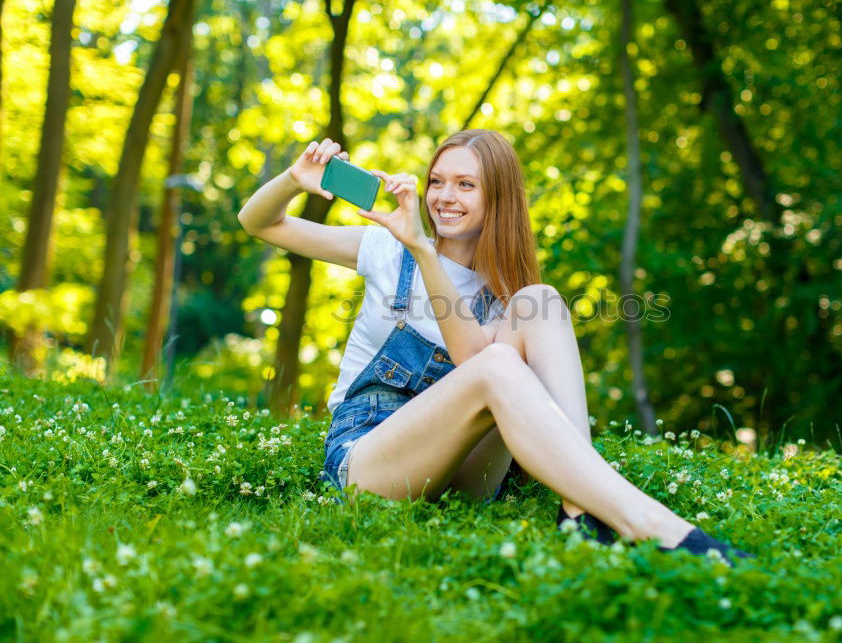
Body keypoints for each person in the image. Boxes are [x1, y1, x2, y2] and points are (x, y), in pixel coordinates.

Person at [238, 129, 752, 563]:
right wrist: (295, 179)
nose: (444, 197)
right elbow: (257, 222)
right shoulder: (386, 247)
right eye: (437, 182)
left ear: (496, 198)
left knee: (542, 300)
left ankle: (577, 509)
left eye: (466, 185)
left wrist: (428, 255)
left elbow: (472, 361)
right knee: (498, 361)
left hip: (466, 475)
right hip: (372, 461)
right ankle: (652, 524)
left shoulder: (503, 293)